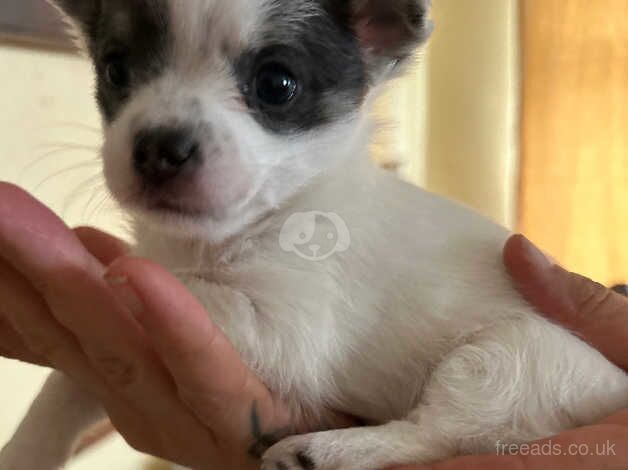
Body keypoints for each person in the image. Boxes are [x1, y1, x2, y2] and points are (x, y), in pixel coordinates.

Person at [0, 183, 626, 469]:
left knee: (513, 358)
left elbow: (281, 348)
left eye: (272, 85)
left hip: (568, 389)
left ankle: (412, 443)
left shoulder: (332, 219)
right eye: (122, 70)